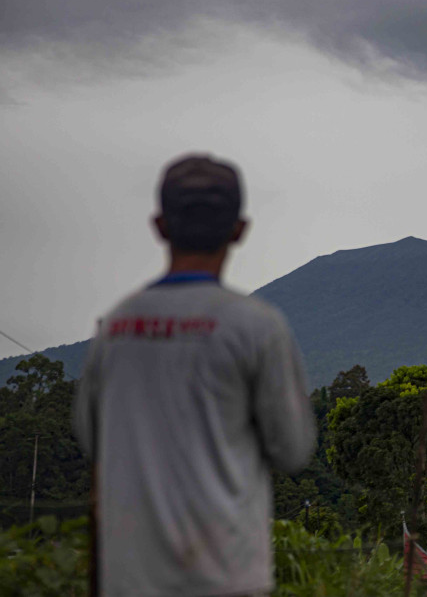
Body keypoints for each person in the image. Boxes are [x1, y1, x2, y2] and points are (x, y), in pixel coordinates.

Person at [74, 153, 317, 596]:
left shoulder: (117, 327)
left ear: (160, 226)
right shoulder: (256, 326)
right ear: (239, 230)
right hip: (225, 577)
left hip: (129, 581)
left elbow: (93, 441)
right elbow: (292, 450)